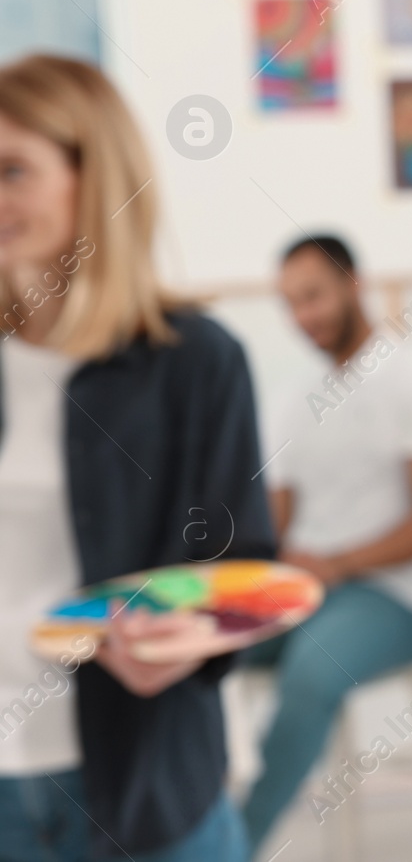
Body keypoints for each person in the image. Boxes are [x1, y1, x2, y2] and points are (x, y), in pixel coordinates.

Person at [0, 54, 274, 861]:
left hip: (139, 782)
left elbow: (243, 568)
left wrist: (187, 642)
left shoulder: (196, 360)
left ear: (96, 174)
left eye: (14, 169)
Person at [242, 234, 412, 853]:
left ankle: (235, 844)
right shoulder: (293, 401)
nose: (303, 317)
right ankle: (175, 823)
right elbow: (273, 523)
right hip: (303, 590)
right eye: (290, 304)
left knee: (311, 672)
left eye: (313, 295)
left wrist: (337, 565)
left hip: (395, 599)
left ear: (352, 282)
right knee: (194, 653)